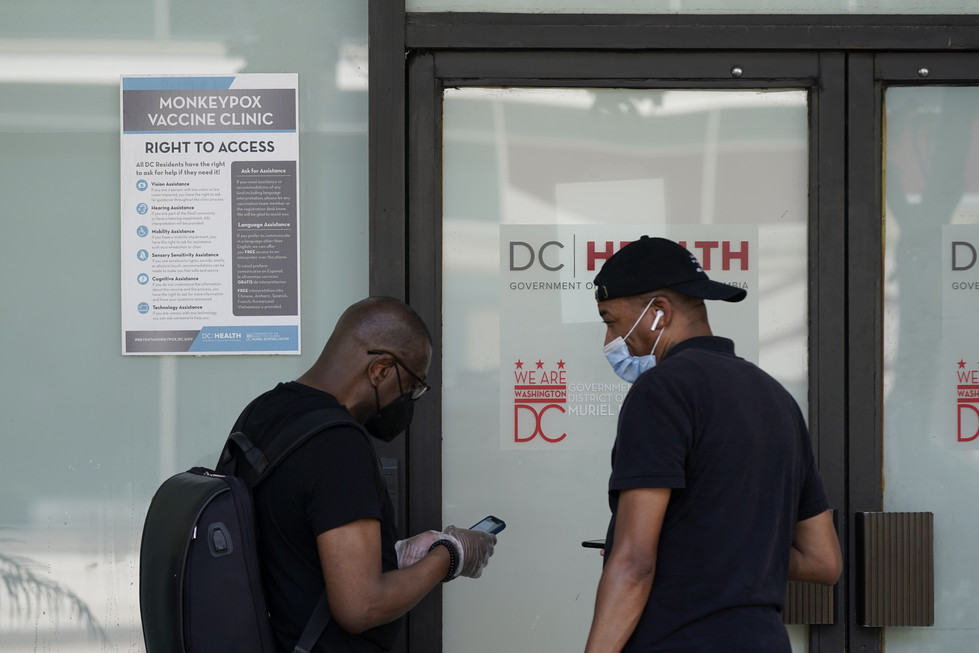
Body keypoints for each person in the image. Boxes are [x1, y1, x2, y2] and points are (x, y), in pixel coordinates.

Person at [583, 237, 842, 653]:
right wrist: (721, 543)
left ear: (658, 313)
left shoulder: (662, 391)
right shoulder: (776, 397)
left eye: (611, 320)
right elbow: (824, 562)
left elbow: (634, 563)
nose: (611, 339)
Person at [227, 296, 496, 652]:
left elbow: (290, 543)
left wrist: (392, 556)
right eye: (413, 387)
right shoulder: (338, 444)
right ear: (381, 370)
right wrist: (451, 554)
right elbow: (361, 606)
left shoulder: (263, 411)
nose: (409, 401)